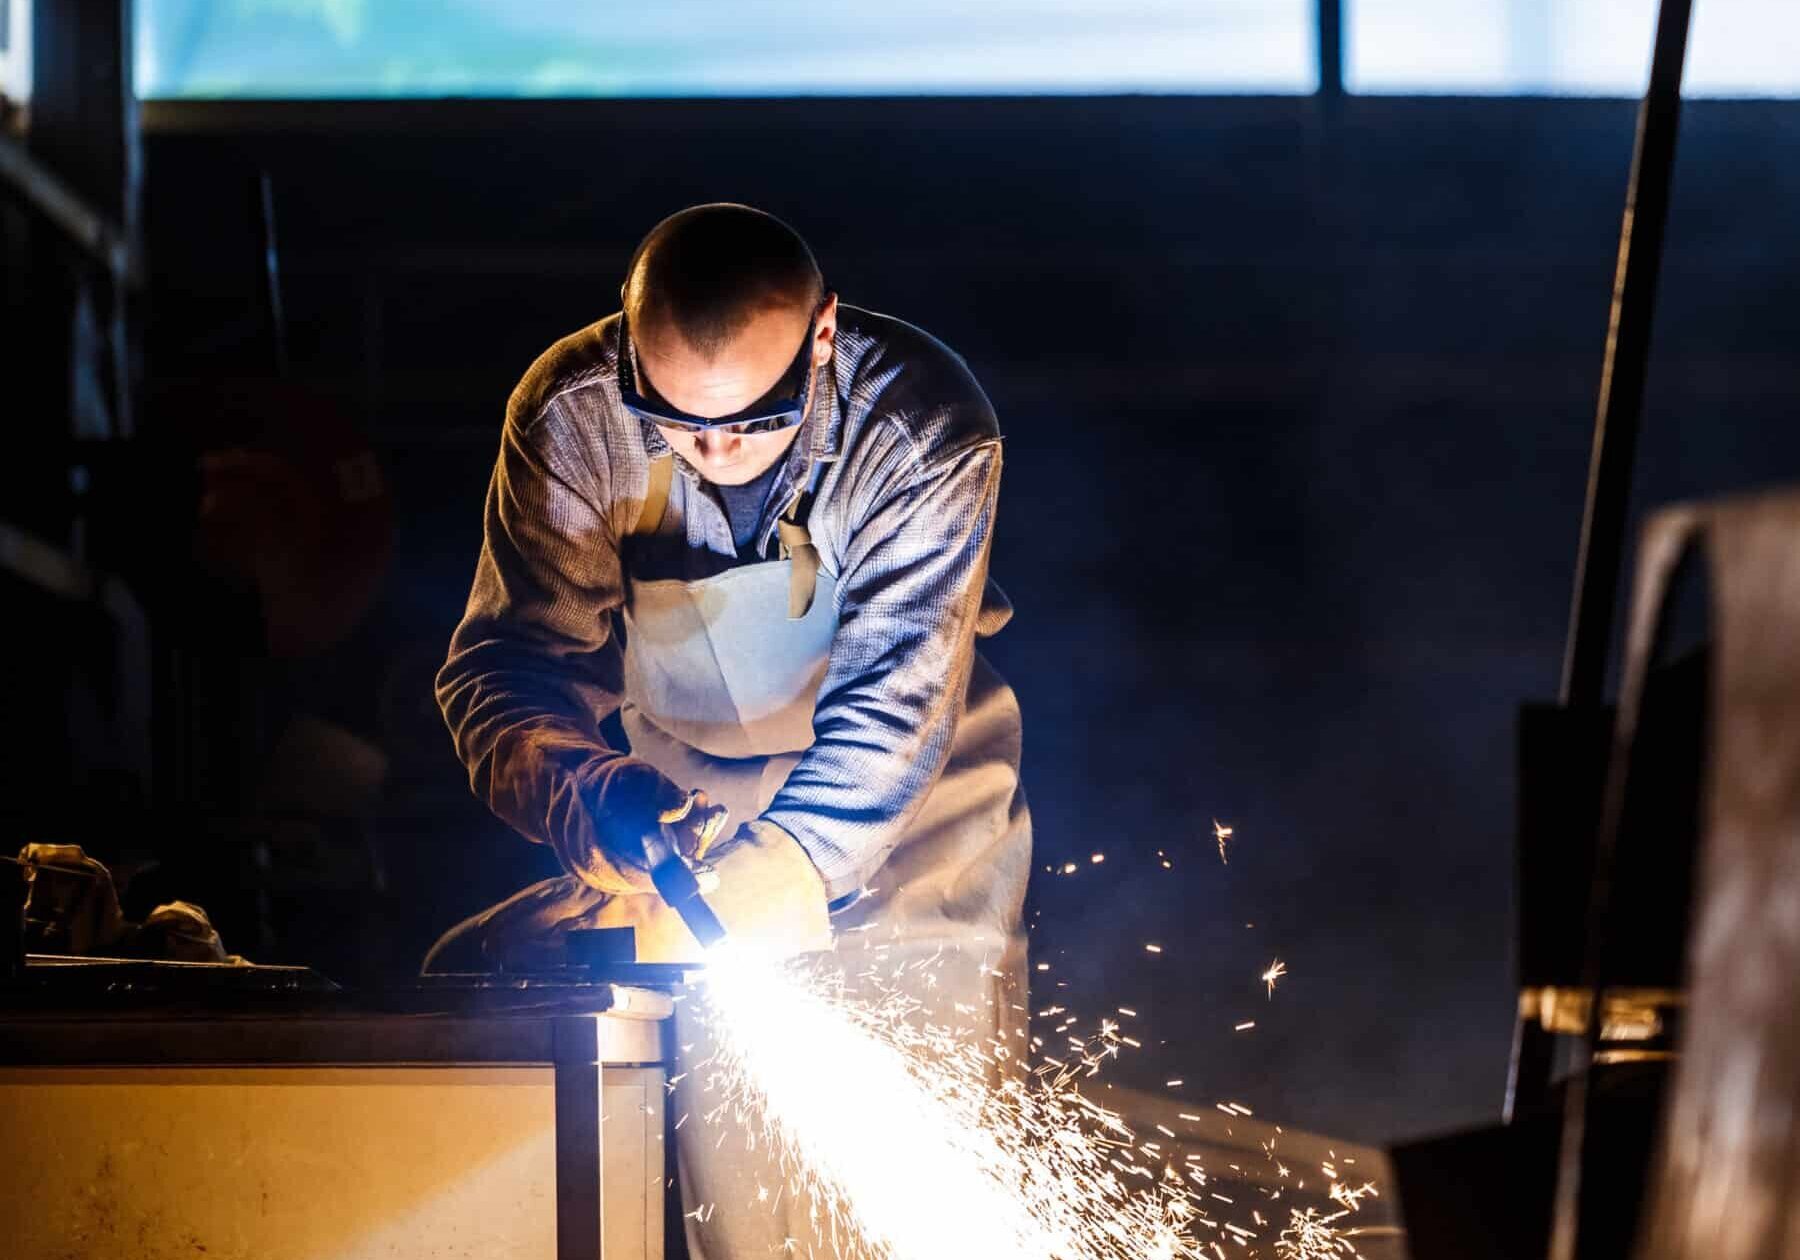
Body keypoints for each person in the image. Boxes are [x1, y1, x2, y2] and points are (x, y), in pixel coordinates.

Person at [425, 203, 1031, 1256]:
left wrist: (786, 869)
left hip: (914, 813)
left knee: (922, 1165)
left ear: (825, 336)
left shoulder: (923, 428)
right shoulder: (571, 413)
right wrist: (586, 794)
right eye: (678, 423)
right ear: (626, 344)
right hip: (688, 803)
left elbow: (893, 706)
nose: (715, 453)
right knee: (742, 1188)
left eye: (755, 422)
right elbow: (507, 665)